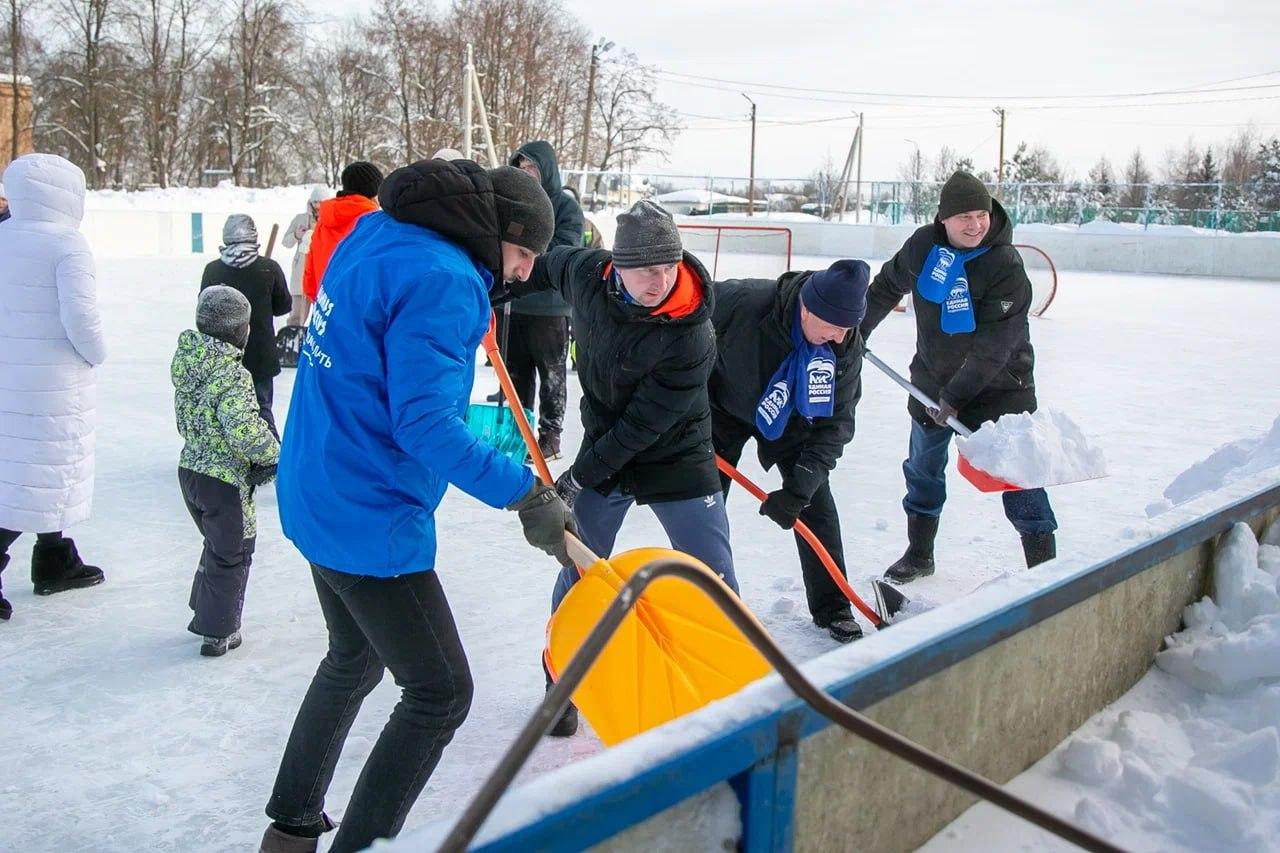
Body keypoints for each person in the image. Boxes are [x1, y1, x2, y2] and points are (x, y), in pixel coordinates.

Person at [259, 160, 572, 853]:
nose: (521, 275)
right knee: (441, 691)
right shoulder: (446, 281)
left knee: (353, 656)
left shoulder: (377, 232)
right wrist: (524, 490)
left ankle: (290, 825)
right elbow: (425, 425)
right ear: (500, 235)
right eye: (522, 256)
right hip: (367, 511)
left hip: (315, 481)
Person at [499, 199, 736, 738]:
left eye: (669, 266)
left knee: (711, 569)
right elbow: (540, 263)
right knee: (580, 565)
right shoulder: (586, 273)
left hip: (675, 450)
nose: (661, 280)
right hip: (607, 441)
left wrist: (579, 475)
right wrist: (496, 283)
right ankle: (561, 683)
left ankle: (726, 688)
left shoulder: (691, 330)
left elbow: (641, 427)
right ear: (616, 267)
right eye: (647, 269)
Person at [859, 171, 1057, 584]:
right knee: (923, 470)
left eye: (981, 214)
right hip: (932, 380)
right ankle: (919, 555)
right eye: (964, 216)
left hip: (1001, 389)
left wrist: (956, 396)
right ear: (943, 219)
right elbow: (883, 289)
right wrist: (853, 334)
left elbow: (995, 346)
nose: (975, 225)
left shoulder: (1005, 264)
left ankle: (1045, 571)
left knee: (1018, 477)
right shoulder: (923, 248)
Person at [711, 260, 871, 643]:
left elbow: (836, 426)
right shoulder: (746, 301)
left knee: (817, 503)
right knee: (702, 504)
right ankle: (705, 604)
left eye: (846, 329)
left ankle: (834, 606)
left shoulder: (844, 348)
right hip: (721, 407)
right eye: (831, 325)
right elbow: (687, 311)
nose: (837, 337)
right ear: (805, 307)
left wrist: (800, 489)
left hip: (794, 419)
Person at [0, 153, 108, 621]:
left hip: (11, 375)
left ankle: (54, 557)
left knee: (26, 472)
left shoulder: (3, 237)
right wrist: (97, 352)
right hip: (54, 383)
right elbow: (80, 318)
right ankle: (49, 559)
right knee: (42, 474)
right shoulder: (68, 244)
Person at [172, 286, 281, 656]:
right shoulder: (231, 374)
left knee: (217, 546)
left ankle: (204, 609)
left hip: (191, 471)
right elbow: (243, 428)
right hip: (224, 480)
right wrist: (275, 454)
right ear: (241, 331)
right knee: (233, 552)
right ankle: (218, 631)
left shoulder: (190, 362)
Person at [490, 140, 585, 461]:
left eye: (532, 167)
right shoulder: (510, 202)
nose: (526, 173)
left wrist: (525, 250)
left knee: (552, 374)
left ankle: (550, 435)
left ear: (547, 170)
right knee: (515, 371)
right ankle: (519, 431)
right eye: (521, 167)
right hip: (512, 301)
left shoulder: (565, 207)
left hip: (550, 306)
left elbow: (567, 245)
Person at [199, 214, 292, 438]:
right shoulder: (268, 268)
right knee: (261, 408)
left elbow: (204, 311)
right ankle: (267, 459)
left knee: (224, 408)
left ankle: (226, 456)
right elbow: (283, 306)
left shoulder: (213, 270)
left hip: (223, 356)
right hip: (260, 353)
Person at [302, 160, 383, 304]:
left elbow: (310, 268)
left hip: (325, 305)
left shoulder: (325, 219)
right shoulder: (373, 223)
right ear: (374, 191)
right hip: (357, 310)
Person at [281, 187, 334, 326]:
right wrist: (297, 235)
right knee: (297, 317)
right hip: (301, 274)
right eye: (315, 202)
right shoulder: (301, 219)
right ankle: (293, 343)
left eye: (321, 203)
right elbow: (286, 242)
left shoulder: (332, 220)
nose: (317, 206)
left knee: (322, 318)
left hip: (323, 274)